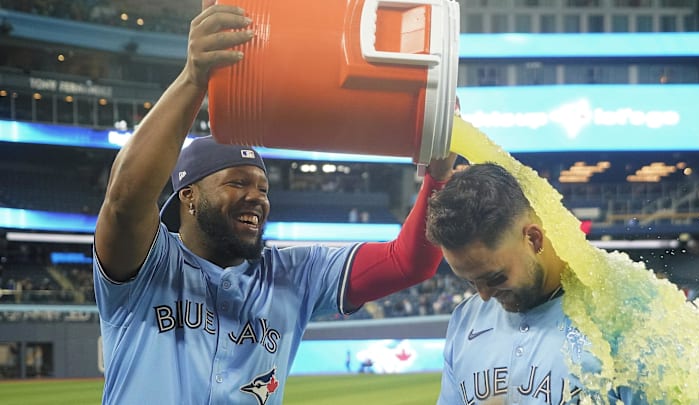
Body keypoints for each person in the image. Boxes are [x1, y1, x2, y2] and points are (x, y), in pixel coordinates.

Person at [92, 1, 456, 404]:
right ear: (188, 196)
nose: (256, 198)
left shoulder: (294, 273)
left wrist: (437, 179)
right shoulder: (148, 264)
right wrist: (195, 78)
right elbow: (125, 199)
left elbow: (410, 262)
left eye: (264, 189)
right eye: (237, 182)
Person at [426, 163, 644, 404]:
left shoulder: (625, 317)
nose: (484, 295)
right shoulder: (466, 319)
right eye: (470, 281)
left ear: (533, 239)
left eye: (495, 277)